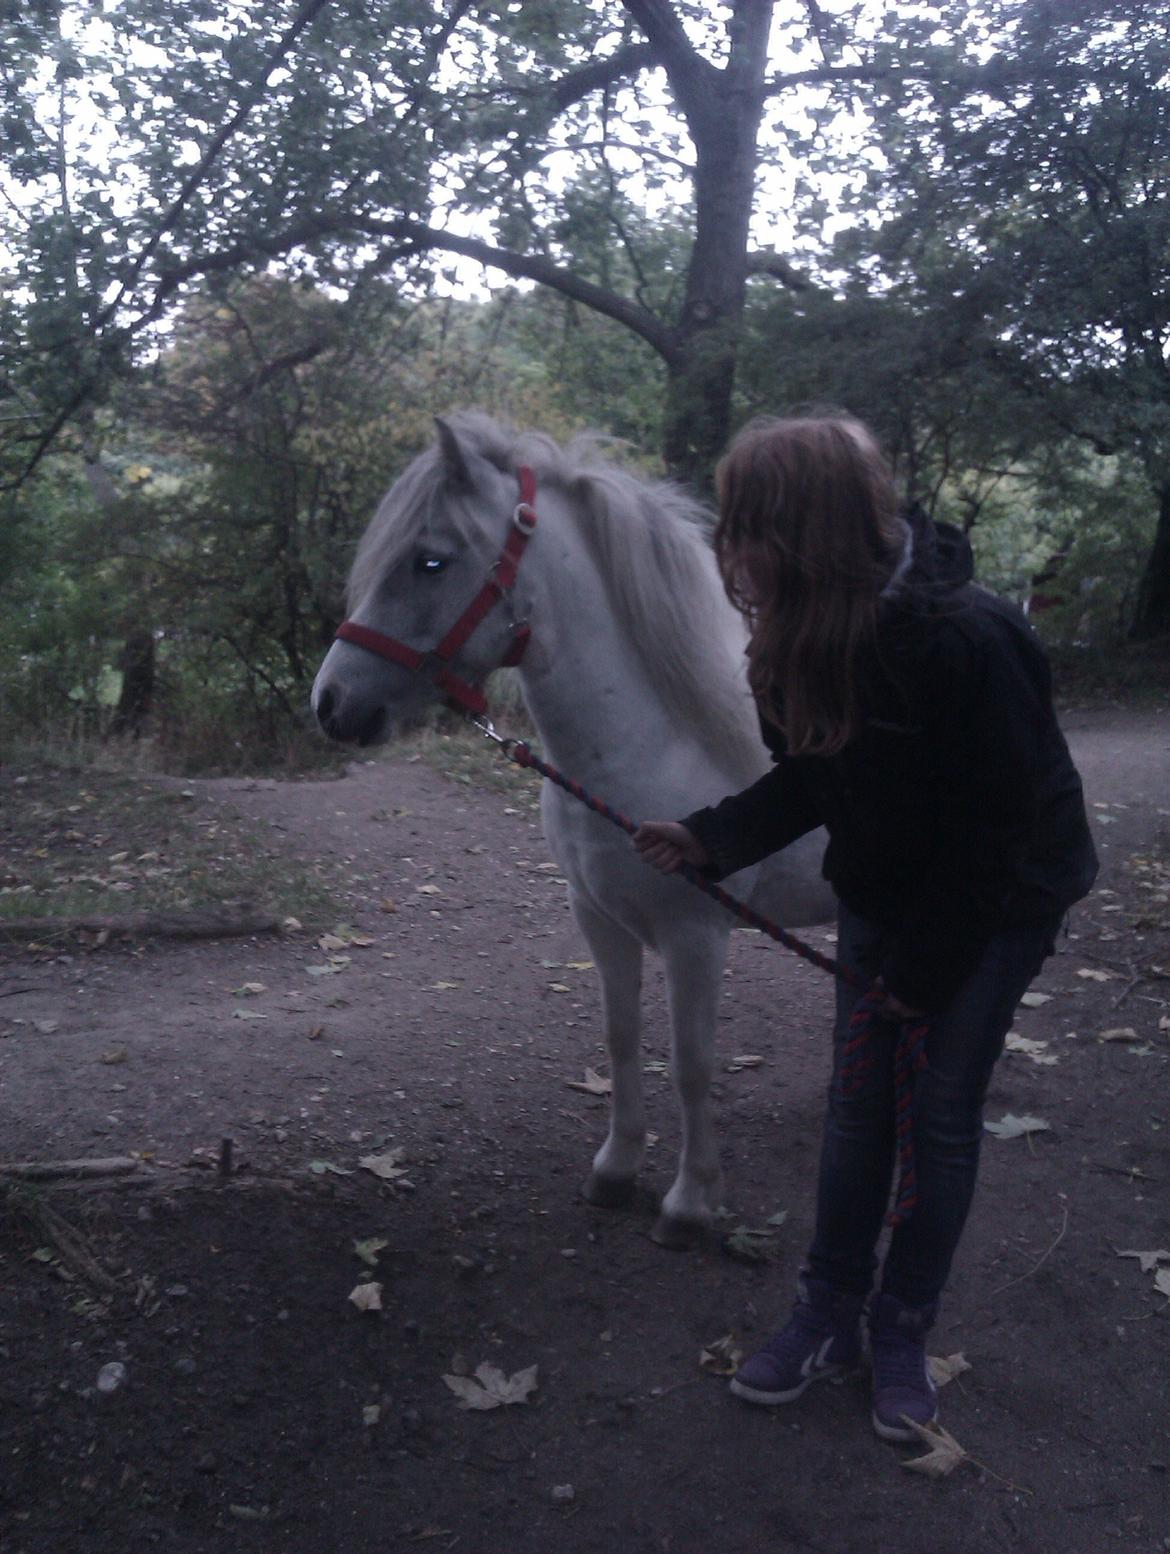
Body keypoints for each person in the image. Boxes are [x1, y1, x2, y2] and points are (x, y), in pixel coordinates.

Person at [633, 414, 1098, 1443]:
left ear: (809, 533)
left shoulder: (971, 640)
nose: (730, 553)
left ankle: (901, 1326)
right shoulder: (795, 635)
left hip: (1000, 900)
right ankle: (828, 1309)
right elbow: (813, 774)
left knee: (935, 1113)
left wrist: (920, 978)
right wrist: (711, 836)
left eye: (749, 528)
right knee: (856, 1107)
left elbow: (995, 836)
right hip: (887, 891)